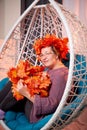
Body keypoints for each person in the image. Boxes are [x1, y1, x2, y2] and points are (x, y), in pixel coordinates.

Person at [0, 34, 69, 123]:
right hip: (32, 102)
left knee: (23, 82)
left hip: (37, 113)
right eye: (41, 55)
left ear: (57, 55)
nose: (43, 58)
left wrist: (26, 93)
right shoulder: (51, 70)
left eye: (47, 53)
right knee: (17, 77)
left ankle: (1, 110)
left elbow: (51, 105)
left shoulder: (61, 75)